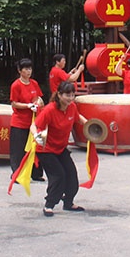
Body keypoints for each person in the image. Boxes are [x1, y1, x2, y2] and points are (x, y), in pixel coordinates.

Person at [31, 80, 89, 217]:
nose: (70, 98)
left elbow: (78, 118)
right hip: (46, 149)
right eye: (67, 95)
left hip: (61, 148)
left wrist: (90, 126)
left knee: (72, 175)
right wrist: (36, 136)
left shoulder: (72, 107)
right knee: (58, 176)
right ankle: (49, 205)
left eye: (72, 95)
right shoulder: (50, 110)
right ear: (59, 94)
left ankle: (68, 203)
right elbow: (34, 126)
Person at [9, 58, 45, 182]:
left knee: (34, 147)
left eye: (30, 69)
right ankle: (17, 174)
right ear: (20, 71)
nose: (29, 71)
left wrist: (37, 104)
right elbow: (14, 103)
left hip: (33, 122)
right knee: (18, 151)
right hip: (19, 122)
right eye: (26, 69)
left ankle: (36, 173)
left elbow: (38, 98)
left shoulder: (34, 83)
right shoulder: (16, 85)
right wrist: (27, 106)